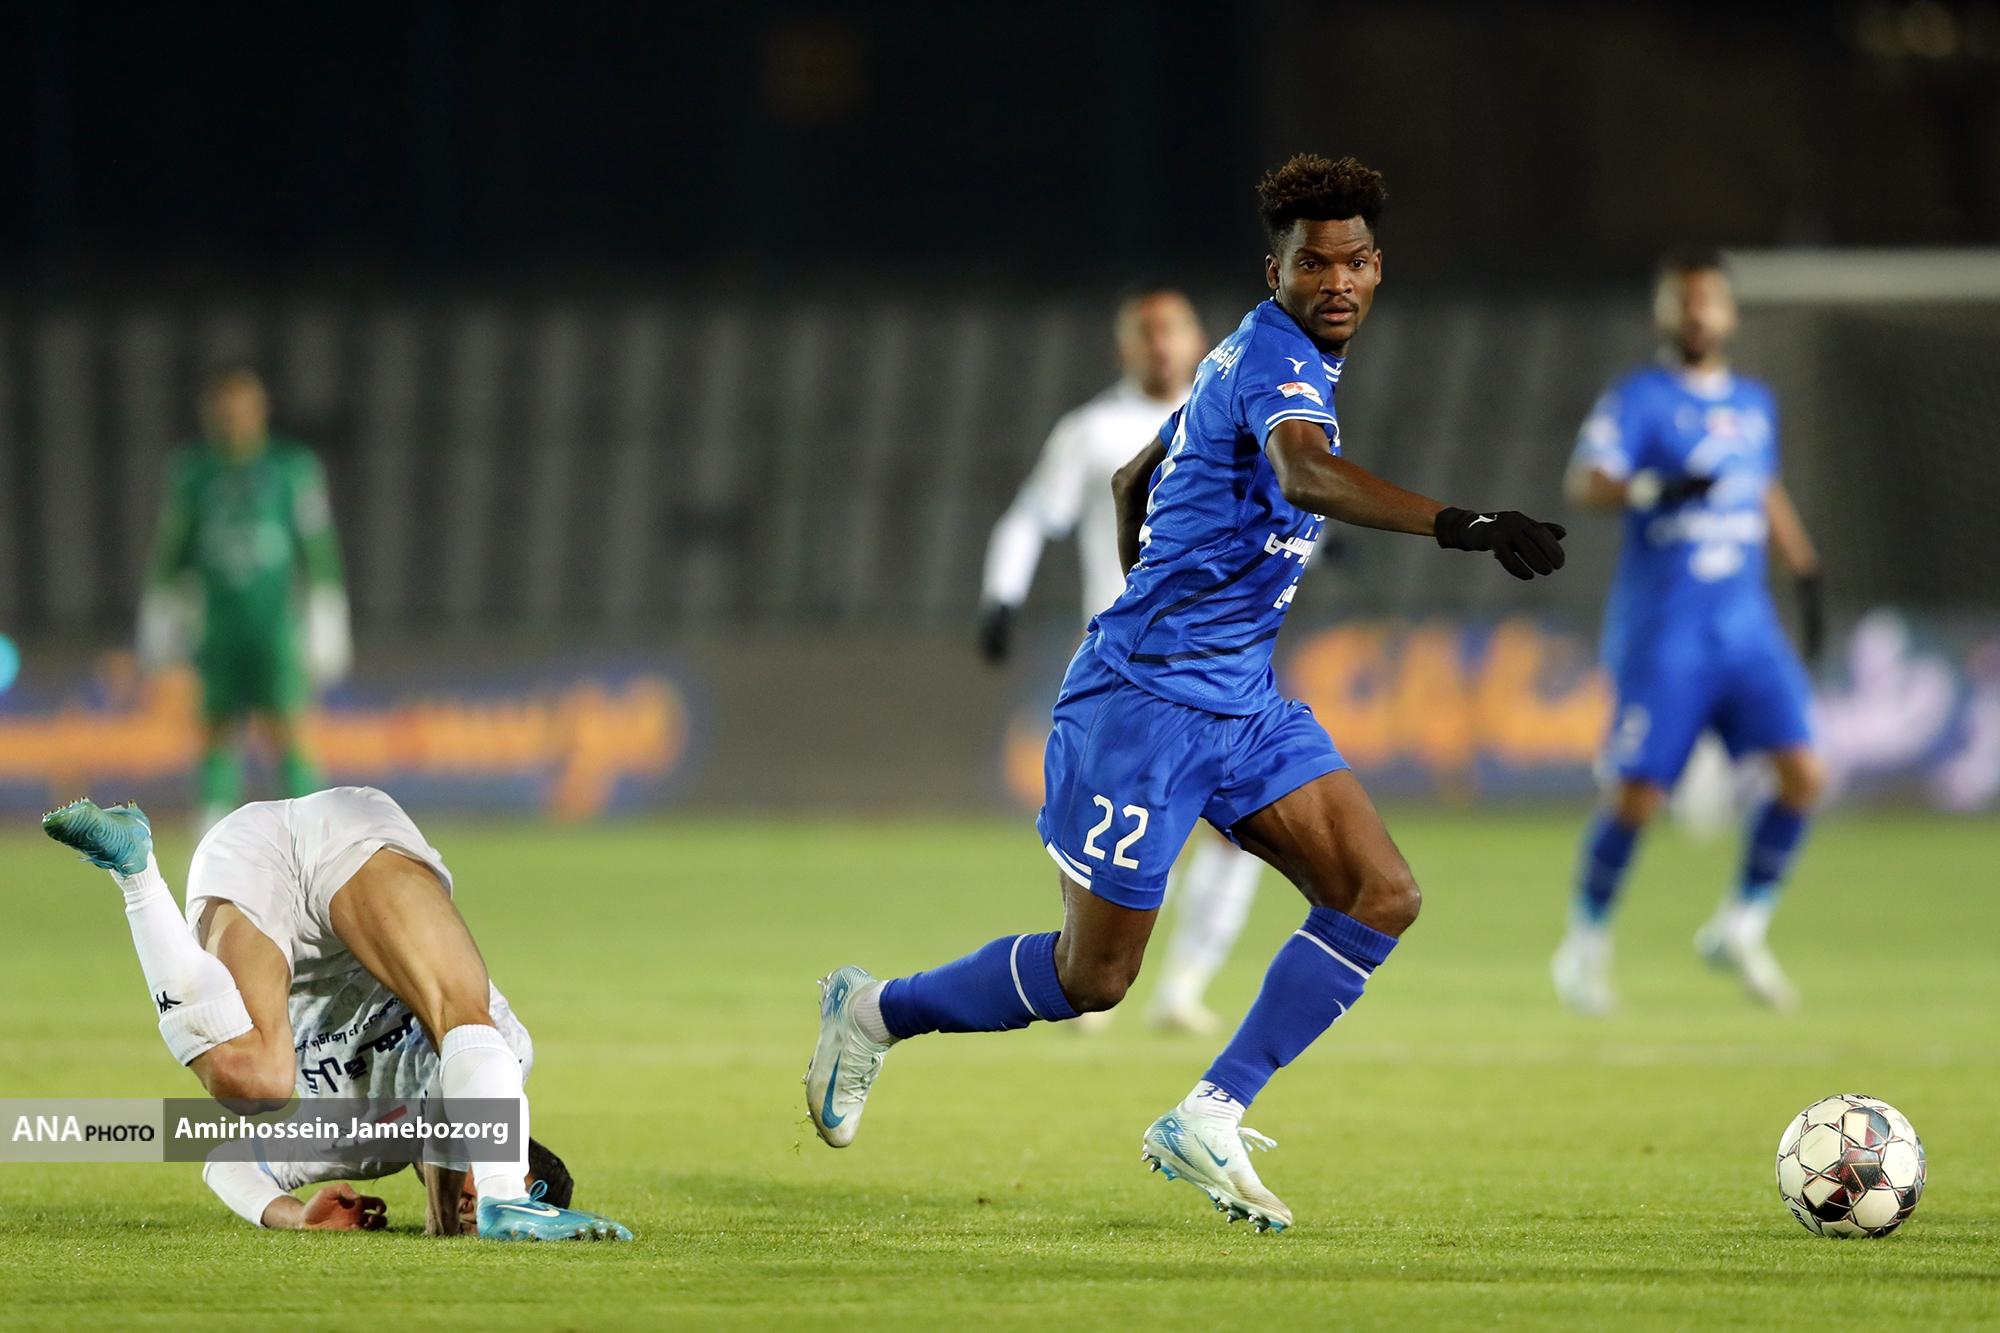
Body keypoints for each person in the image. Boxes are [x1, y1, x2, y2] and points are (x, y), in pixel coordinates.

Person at [806, 154, 1568, 1233]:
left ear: (1376, 267)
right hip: (1142, 711)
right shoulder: (1277, 360)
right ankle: (874, 1012)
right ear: (1277, 271)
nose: (1336, 281)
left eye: (1354, 261)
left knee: (1379, 891)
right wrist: (1466, 524)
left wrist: (1164, 585)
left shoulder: (1247, 353)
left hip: (1239, 701)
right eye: (1314, 264)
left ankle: (1210, 1112)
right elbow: (1302, 474)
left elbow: (1134, 480)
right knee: (1092, 980)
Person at [41, 789, 632, 1240]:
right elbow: (455, 1114)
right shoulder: (501, 1062)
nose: (467, 1208)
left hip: (250, 864)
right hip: (354, 843)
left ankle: (135, 872)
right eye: (507, 1179)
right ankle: (514, 1204)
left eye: (475, 1212)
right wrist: (480, 1201)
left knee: (253, 1083)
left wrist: (296, 1215)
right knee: (467, 1018)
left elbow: (226, 1164)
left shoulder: (367, 1144)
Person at [978, 289, 1270, 1035]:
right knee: (1119, 833)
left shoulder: (1232, 414)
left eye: (1172, 333)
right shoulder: (1091, 431)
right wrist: (1001, 598)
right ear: (1126, 351)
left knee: (1240, 829)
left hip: (1215, 660)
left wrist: (1328, 547)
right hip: (1125, 663)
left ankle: (1182, 989)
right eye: (1148, 336)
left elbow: (1276, 507)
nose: (1162, 348)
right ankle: (1082, 976)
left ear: (1198, 341)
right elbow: (1029, 518)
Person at [1551, 245, 1825, 1016]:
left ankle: (1742, 924)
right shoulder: (1639, 398)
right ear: (1664, 312)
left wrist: (1804, 565)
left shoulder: (1755, 403)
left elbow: (1761, 483)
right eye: (1683, 301)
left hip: (1745, 627)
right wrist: (1656, 487)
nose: (1697, 313)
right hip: (1665, 631)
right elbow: (1586, 481)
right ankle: (1584, 942)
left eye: (1708, 300)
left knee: (1805, 775)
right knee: (1637, 795)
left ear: (1729, 313)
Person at [140, 367, 352, 834]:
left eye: (243, 410)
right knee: (216, 733)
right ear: (211, 414)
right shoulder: (194, 471)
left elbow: (317, 544)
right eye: (225, 411)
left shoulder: (291, 468)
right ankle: (212, 840)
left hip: (275, 628)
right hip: (218, 628)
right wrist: (159, 613)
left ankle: (314, 838)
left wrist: (328, 613)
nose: (234, 420)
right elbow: (173, 547)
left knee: (288, 731)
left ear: (261, 411)